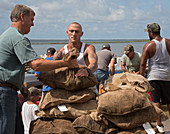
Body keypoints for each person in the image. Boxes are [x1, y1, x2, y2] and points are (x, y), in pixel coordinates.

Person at [0, 4, 78, 134]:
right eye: (31, 20)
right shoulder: (18, 39)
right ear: (22, 17)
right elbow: (37, 65)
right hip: (5, 94)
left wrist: (21, 87)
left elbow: (7, 66)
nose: (33, 24)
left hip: (9, 91)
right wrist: (66, 63)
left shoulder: (6, 36)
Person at [140, 23, 170, 133]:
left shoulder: (148, 46)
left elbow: (143, 64)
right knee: (169, 102)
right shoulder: (168, 42)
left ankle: (159, 124)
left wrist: (141, 77)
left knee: (156, 102)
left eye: (148, 32)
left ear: (151, 33)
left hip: (154, 76)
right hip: (167, 76)